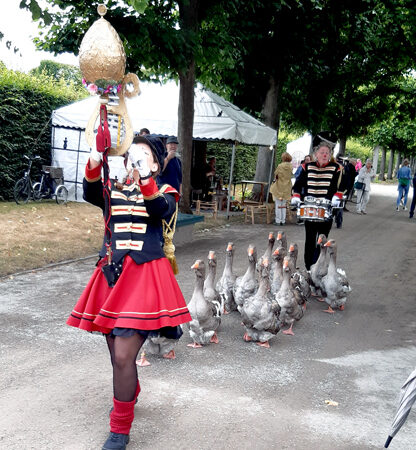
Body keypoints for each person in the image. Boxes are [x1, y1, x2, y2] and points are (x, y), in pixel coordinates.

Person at [66, 134, 192, 450]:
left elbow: (160, 209)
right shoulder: (114, 189)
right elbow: (90, 190)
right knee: (117, 357)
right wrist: (97, 154)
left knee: (124, 356)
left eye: (144, 153)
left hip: (146, 279)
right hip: (111, 278)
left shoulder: (166, 190)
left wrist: (146, 176)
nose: (135, 157)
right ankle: (129, 393)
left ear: (157, 161)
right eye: (131, 152)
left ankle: (119, 430)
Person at [291, 132, 345, 270]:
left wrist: (336, 196)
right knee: (309, 240)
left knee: (322, 239)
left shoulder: (336, 168)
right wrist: (296, 196)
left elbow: (343, 185)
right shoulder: (307, 167)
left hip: (326, 210)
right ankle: (309, 267)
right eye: (322, 152)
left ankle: (317, 266)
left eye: (327, 152)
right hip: (309, 209)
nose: (325, 154)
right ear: (316, 153)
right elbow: (297, 185)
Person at [270, 152, 293, 226]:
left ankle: (278, 220)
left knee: (278, 205)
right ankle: (283, 221)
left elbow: (276, 175)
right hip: (287, 187)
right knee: (283, 205)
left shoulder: (280, 166)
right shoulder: (291, 166)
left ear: (283, 158)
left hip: (279, 186)